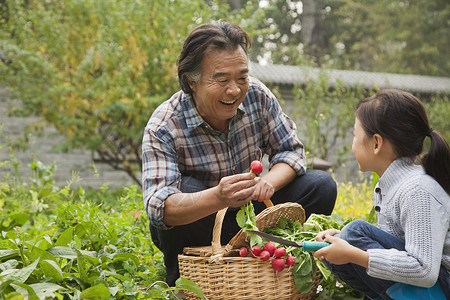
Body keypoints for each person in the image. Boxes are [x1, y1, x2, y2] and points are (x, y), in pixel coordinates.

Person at [142, 20, 337, 286]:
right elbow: (158, 207)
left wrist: (268, 183)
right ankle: (183, 280)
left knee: (320, 185)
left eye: (242, 77)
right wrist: (218, 196)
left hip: (255, 216)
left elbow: (290, 151)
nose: (234, 90)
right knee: (185, 188)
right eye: (221, 80)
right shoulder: (164, 126)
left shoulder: (257, 96)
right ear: (192, 82)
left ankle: (277, 265)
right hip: (203, 223)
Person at [313, 89, 449, 299]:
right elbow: (392, 245)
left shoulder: (418, 190)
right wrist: (343, 241)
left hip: (442, 285)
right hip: (431, 286)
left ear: (376, 143)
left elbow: (425, 270)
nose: (352, 145)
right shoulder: (390, 185)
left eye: (355, 136)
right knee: (340, 245)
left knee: (355, 233)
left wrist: (355, 254)